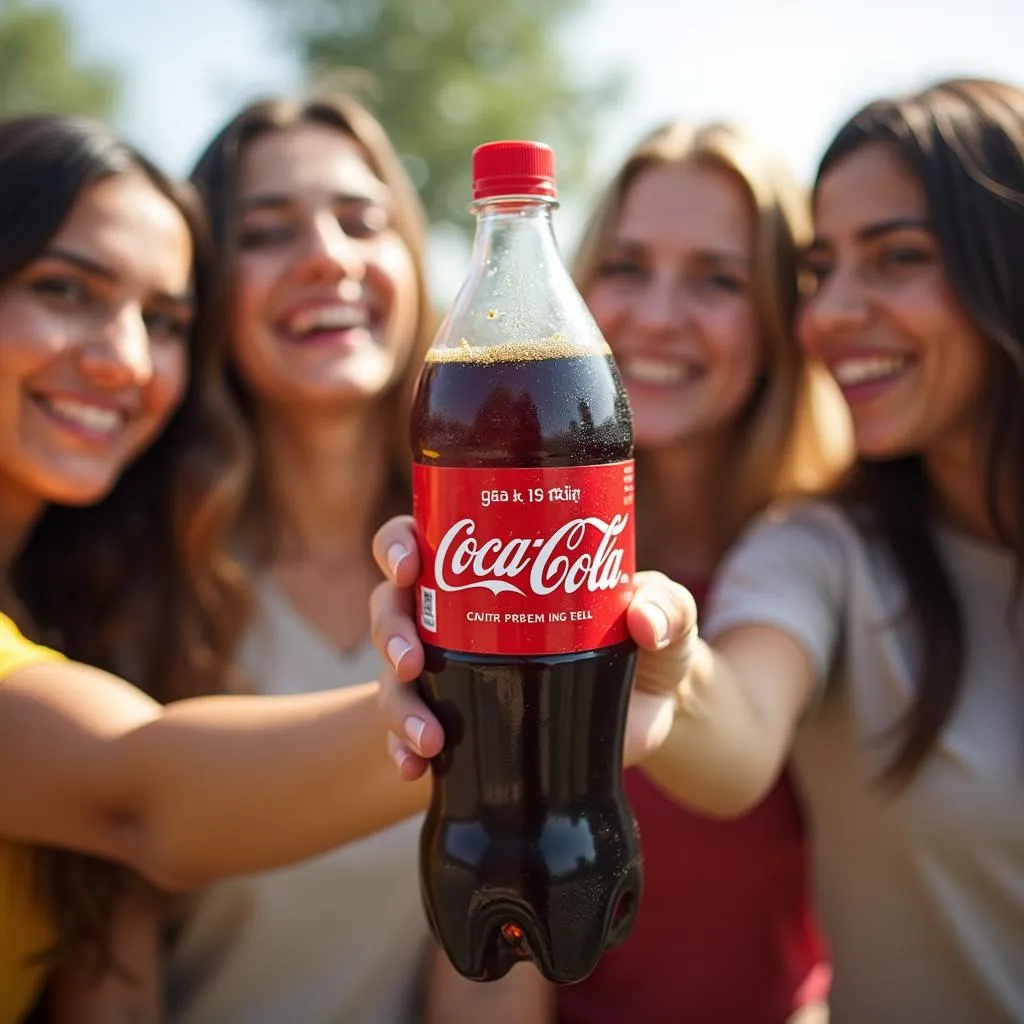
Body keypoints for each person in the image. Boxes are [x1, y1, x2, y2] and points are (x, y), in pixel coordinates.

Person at [372, 77, 1024, 1023]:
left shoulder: (809, 539)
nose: (658, 315)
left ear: (772, 321)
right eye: (627, 267)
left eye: (719, 278)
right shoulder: (810, 553)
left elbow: (744, 762)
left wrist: (653, 663)